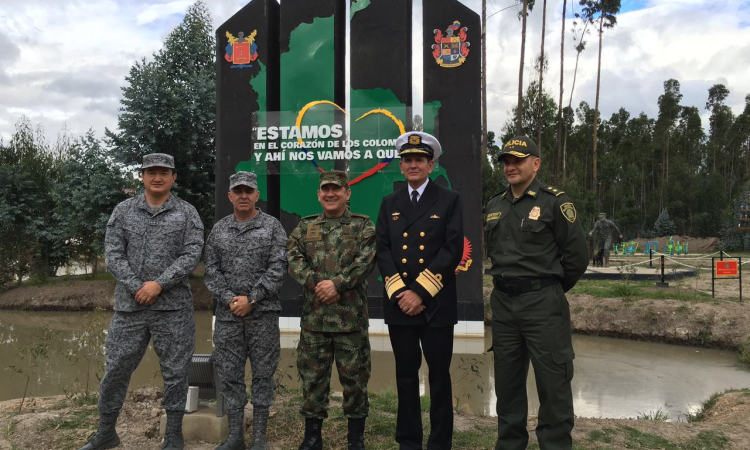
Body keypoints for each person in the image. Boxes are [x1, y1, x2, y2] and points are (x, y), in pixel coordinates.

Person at [79, 153, 204, 450]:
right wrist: (139, 287)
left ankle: (174, 434)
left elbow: (191, 254)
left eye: (164, 172)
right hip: (130, 307)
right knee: (117, 368)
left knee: (176, 372)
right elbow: (113, 254)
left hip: (173, 309)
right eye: (151, 172)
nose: (157, 177)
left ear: (174, 177)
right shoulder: (123, 211)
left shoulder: (187, 213)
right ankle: (106, 431)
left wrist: (159, 284)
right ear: (142, 176)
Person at [484, 136, 588, 450]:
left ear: (536, 163)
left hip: (543, 306)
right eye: (506, 161)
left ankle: (555, 445)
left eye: (518, 160)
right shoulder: (495, 204)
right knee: (507, 385)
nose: (511, 166)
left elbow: (577, 257)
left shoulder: (556, 202)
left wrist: (547, 288)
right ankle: (510, 444)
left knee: (553, 385)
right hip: (503, 306)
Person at [375, 131, 464, 450]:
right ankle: (409, 442)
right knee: (405, 378)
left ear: (431, 165)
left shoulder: (450, 200)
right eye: (408, 160)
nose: (413, 165)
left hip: (436, 306)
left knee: (440, 378)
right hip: (400, 306)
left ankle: (440, 443)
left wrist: (420, 293)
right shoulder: (389, 203)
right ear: (401, 166)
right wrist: (402, 293)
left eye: (420, 160)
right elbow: (383, 250)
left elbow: (452, 249)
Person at [287, 170, 377, 450]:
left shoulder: (363, 226)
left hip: (350, 322)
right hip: (315, 322)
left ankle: (355, 439)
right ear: (318, 194)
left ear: (347, 193)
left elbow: (366, 262)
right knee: (313, 383)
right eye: (325, 189)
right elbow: (293, 258)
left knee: (355, 383)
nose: (330, 194)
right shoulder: (305, 226)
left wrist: (337, 284)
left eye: (336, 189)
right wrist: (317, 284)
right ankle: (312, 437)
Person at [204, 171, 288, 450]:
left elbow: (278, 268)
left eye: (248, 191)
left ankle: (259, 438)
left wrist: (251, 299)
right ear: (230, 196)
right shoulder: (219, 229)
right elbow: (211, 270)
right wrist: (231, 299)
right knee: (231, 375)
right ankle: (236, 436)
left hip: (262, 315)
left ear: (256, 195)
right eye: (237, 191)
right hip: (229, 317)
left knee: (263, 374)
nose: (243, 195)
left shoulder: (272, 227)